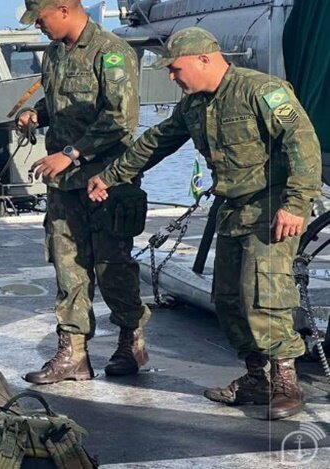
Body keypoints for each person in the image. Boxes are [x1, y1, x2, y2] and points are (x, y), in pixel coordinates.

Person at [87, 27, 322, 420]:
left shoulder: (261, 91)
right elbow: (156, 141)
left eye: (176, 69)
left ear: (204, 59)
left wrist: (296, 203)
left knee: (263, 293)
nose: (172, 77)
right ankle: (255, 378)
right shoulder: (194, 106)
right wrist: (111, 175)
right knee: (228, 298)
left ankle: (285, 382)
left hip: (270, 210)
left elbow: (302, 143)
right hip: (231, 211)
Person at [15, 0, 151, 385]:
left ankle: (130, 339)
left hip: (106, 180)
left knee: (112, 266)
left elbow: (120, 119)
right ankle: (73, 353)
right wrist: (36, 115)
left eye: (40, 19)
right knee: (67, 265)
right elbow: (62, 102)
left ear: (63, 9)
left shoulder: (112, 53)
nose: (38, 27)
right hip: (65, 185)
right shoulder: (55, 53)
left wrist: (71, 154)